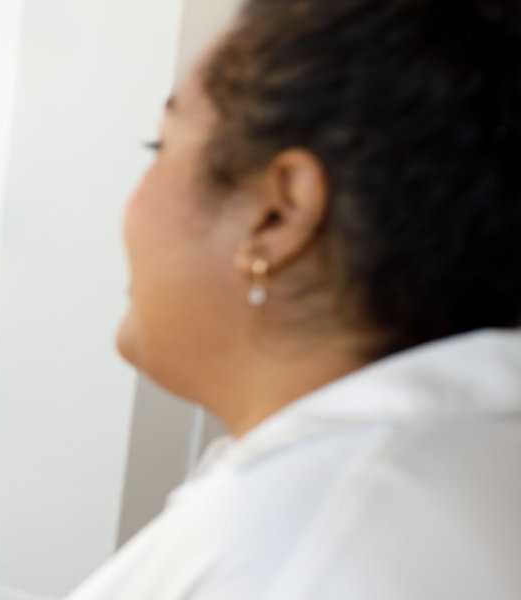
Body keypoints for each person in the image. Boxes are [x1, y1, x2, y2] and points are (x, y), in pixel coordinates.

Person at [71, 0, 521, 597]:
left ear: (277, 214)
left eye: (160, 146)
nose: (128, 206)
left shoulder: (294, 550)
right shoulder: (468, 465)